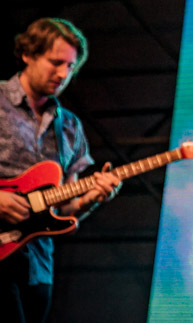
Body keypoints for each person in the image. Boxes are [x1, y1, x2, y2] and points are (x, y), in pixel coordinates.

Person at [0, 18, 121, 323]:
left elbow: (65, 207)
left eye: (70, 66)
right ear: (27, 54)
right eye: (56, 63)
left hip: (37, 266)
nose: (64, 74)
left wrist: (91, 199)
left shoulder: (69, 126)